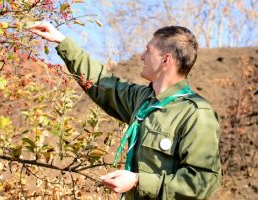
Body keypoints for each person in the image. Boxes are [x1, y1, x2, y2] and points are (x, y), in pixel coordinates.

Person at [30, 22, 221, 199]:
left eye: (148, 50)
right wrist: (62, 42)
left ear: (166, 60)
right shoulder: (143, 99)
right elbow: (102, 84)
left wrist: (138, 180)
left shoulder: (196, 113)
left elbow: (203, 182)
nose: (142, 56)